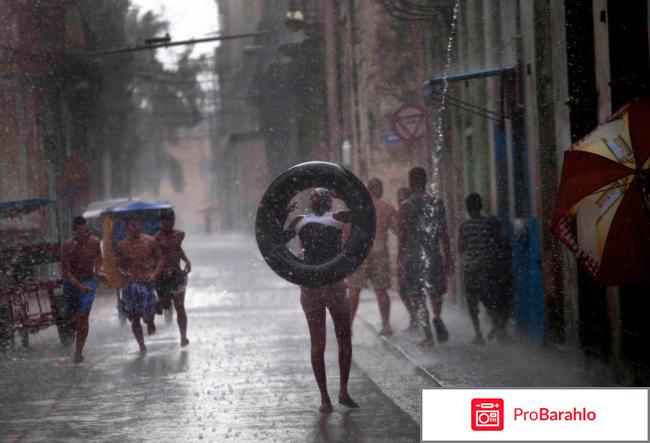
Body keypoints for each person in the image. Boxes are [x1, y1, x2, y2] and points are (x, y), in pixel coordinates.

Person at [284, 188, 359, 414]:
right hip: (317, 286)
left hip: (329, 285)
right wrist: (282, 212)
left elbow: (361, 212)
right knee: (320, 343)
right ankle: (325, 397)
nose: (314, 198)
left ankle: (342, 392)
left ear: (326, 200)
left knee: (343, 338)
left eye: (318, 196)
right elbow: (277, 241)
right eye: (313, 196)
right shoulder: (301, 220)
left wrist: (342, 195)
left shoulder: (337, 217)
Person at [398, 167, 453, 347]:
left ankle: (428, 336)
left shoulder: (405, 206)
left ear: (411, 183)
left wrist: (400, 262)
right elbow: (444, 233)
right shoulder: (437, 203)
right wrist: (448, 257)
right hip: (433, 253)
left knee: (418, 297)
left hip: (413, 256)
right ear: (425, 181)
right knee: (436, 291)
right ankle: (437, 316)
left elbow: (402, 237)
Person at [347, 178, 398, 336]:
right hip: (379, 249)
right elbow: (398, 230)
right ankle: (386, 325)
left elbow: (348, 232)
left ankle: (348, 326)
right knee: (381, 290)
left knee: (354, 290)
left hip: (361, 251)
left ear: (368, 190)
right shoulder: (387, 208)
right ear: (380, 190)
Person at [459, 193, 511, 343]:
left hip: (471, 269)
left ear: (467, 209)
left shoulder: (464, 226)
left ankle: (478, 334)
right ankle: (498, 326)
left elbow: (461, 248)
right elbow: (497, 243)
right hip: (488, 268)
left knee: (472, 302)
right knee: (489, 300)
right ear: (481, 206)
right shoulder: (489, 223)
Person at [116, 215, 163, 358]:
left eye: (137, 224)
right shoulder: (122, 245)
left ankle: (150, 321)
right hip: (130, 285)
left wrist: (155, 273)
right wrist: (123, 273)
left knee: (148, 314)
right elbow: (118, 265)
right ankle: (141, 346)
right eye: (132, 225)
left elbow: (160, 258)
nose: (135, 227)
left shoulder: (150, 241)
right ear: (127, 227)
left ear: (140, 225)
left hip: (147, 283)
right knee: (135, 317)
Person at [61, 216, 106, 363]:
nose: (87, 234)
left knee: (84, 316)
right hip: (72, 284)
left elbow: (99, 259)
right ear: (75, 232)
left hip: (89, 281)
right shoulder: (67, 246)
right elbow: (66, 272)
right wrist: (80, 286)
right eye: (83, 231)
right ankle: (72, 323)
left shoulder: (94, 242)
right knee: (77, 318)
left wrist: (99, 272)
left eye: (88, 230)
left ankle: (78, 352)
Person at [155, 209, 191, 347]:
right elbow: (156, 256)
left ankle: (183, 336)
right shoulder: (156, 239)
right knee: (165, 305)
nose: (168, 224)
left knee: (180, 306)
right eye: (165, 221)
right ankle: (161, 304)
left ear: (174, 221)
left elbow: (177, 249)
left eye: (170, 221)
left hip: (177, 275)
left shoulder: (180, 235)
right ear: (161, 222)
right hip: (163, 276)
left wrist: (186, 260)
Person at [396, 187, 419, 330]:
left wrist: (400, 260)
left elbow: (402, 238)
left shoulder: (406, 210)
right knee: (405, 289)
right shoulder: (404, 210)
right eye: (398, 197)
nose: (399, 200)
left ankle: (417, 318)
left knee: (408, 288)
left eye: (401, 197)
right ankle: (415, 316)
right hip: (411, 254)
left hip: (410, 255)